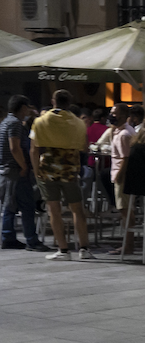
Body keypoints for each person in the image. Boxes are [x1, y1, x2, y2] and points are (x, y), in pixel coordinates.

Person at [29, 90, 93, 261]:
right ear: (69, 102)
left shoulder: (40, 121)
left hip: (48, 169)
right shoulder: (79, 123)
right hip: (70, 168)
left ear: (53, 101)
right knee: (77, 209)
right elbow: (85, 147)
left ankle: (63, 250)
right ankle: (84, 248)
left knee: (53, 210)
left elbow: (34, 149)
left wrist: (36, 171)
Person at [0, 96, 47, 251]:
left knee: (9, 205)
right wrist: (24, 166)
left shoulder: (5, 122)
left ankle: (8, 237)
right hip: (16, 170)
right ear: (22, 108)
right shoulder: (15, 124)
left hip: (6, 170)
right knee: (26, 206)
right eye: (27, 107)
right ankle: (31, 240)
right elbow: (15, 147)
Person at [106, 103, 136, 256]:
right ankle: (127, 243)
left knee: (125, 211)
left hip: (122, 175)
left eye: (115, 113)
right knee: (124, 210)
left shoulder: (125, 134)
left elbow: (126, 157)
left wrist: (119, 174)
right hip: (117, 172)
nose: (112, 116)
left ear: (124, 116)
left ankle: (128, 244)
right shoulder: (118, 131)